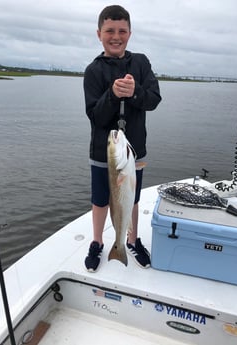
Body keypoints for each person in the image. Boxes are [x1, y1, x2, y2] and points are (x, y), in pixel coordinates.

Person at [83, 5, 161, 272]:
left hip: (134, 152)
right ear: (99, 33)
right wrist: (113, 95)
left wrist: (135, 91)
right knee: (100, 198)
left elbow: (153, 100)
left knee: (132, 198)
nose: (116, 36)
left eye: (122, 31)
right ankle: (97, 242)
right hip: (103, 152)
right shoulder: (93, 71)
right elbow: (95, 115)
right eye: (109, 31)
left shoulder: (140, 62)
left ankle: (131, 240)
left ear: (129, 33)